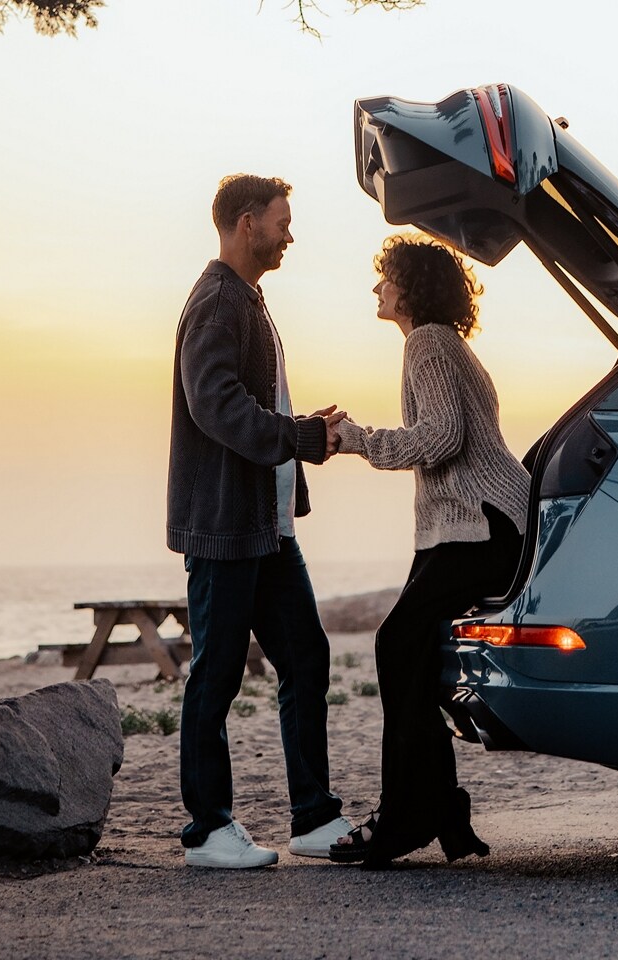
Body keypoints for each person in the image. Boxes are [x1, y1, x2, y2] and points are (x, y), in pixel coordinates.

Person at [167, 173, 353, 869]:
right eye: (282, 221)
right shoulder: (218, 301)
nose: (289, 233)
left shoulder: (247, 299)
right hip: (225, 528)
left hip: (268, 528)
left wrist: (303, 434)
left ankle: (314, 818)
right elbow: (213, 404)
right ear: (248, 224)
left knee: (307, 657)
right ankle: (207, 831)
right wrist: (299, 437)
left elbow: (253, 404)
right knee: (215, 674)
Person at [329, 234, 530, 867]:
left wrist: (358, 439)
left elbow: (442, 438)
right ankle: (434, 806)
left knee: (397, 645)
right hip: (472, 522)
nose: (377, 287)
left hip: (481, 522)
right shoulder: (444, 343)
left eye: (386, 276)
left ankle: (411, 813)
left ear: (411, 287)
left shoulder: (428, 342)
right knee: (412, 653)